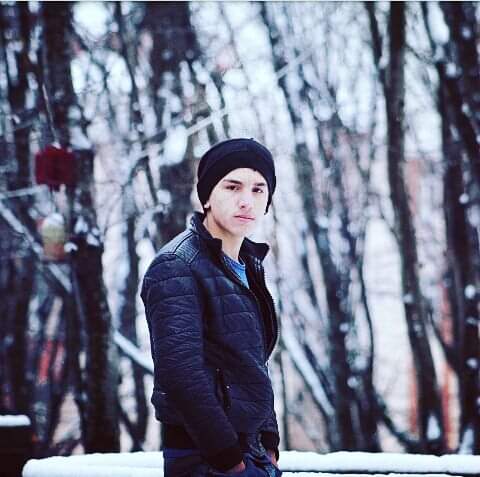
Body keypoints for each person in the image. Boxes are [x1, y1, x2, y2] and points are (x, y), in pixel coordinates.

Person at [141, 138, 282, 477]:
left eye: (258, 190)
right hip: (206, 457)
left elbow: (252, 362)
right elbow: (181, 374)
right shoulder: (176, 265)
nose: (246, 200)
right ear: (206, 196)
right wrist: (228, 459)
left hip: (250, 453)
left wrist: (269, 441)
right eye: (232, 187)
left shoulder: (247, 265)